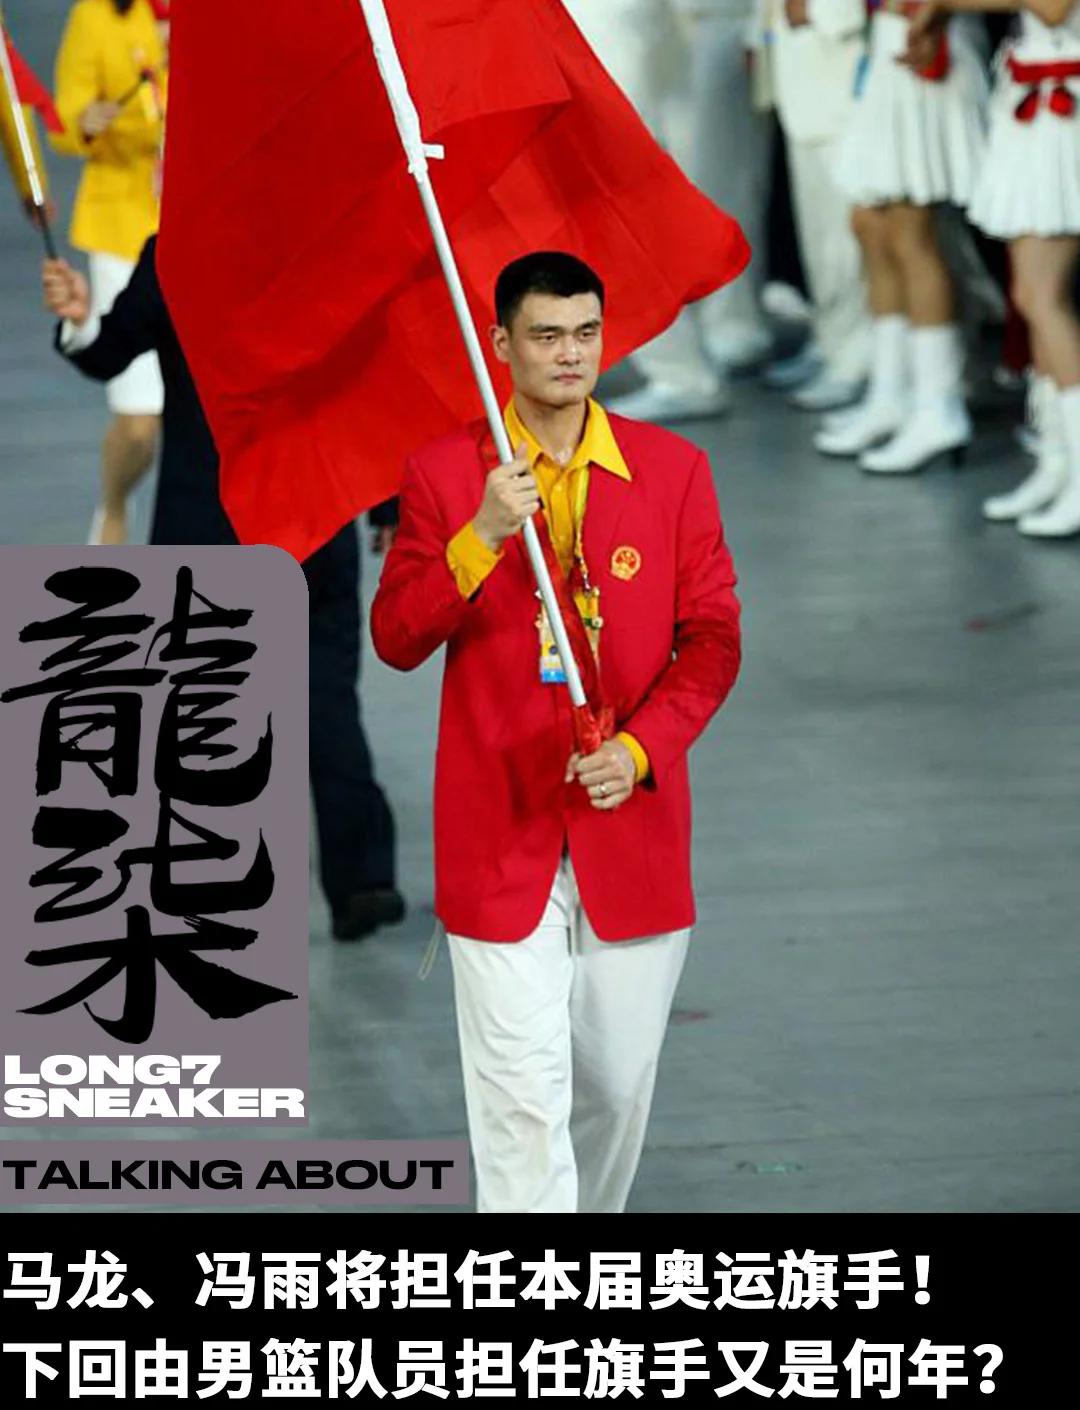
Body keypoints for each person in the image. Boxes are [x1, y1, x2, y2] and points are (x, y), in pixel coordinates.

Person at [370, 252, 742, 1213]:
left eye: (585, 333)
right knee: (522, 1104)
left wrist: (642, 748)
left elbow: (712, 641)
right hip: (500, 828)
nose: (569, 355)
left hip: (632, 829)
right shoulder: (450, 475)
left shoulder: (673, 472)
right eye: (545, 335)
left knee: (614, 1091)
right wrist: (481, 535)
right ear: (500, 345)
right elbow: (398, 635)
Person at [41, 241, 406, 941]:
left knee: (199, 719)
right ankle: (360, 883)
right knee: (326, 702)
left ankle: (204, 895)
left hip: (203, 523)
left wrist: (81, 321)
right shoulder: (330, 249)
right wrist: (385, 502)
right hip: (313, 517)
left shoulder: (177, 253)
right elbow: (372, 381)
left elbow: (108, 355)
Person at [912, 0, 1080, 536]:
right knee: (1032, 298)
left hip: (1062, 94)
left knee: (1046, 298)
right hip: (1037, 83)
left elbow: (1054, 7)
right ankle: (1057, 462)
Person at [816, 0, 989, 472]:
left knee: (912, 231)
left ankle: (938, 404)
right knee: (871, 223)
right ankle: (891, 392)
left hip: (927, 38)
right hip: (892, 37)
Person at [49, 0, 167, 545]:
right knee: (141, 419)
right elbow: (65, 120)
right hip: (123, 228)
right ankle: (115, 507)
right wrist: (85, 121)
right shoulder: (97, 16)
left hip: (206, 231)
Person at [753, 0, 871, 411]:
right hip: (802, 80)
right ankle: (830, 340)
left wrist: (819, 10)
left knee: (844, 239)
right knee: (818, 233)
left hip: (843, 76)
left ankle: (856, 359)